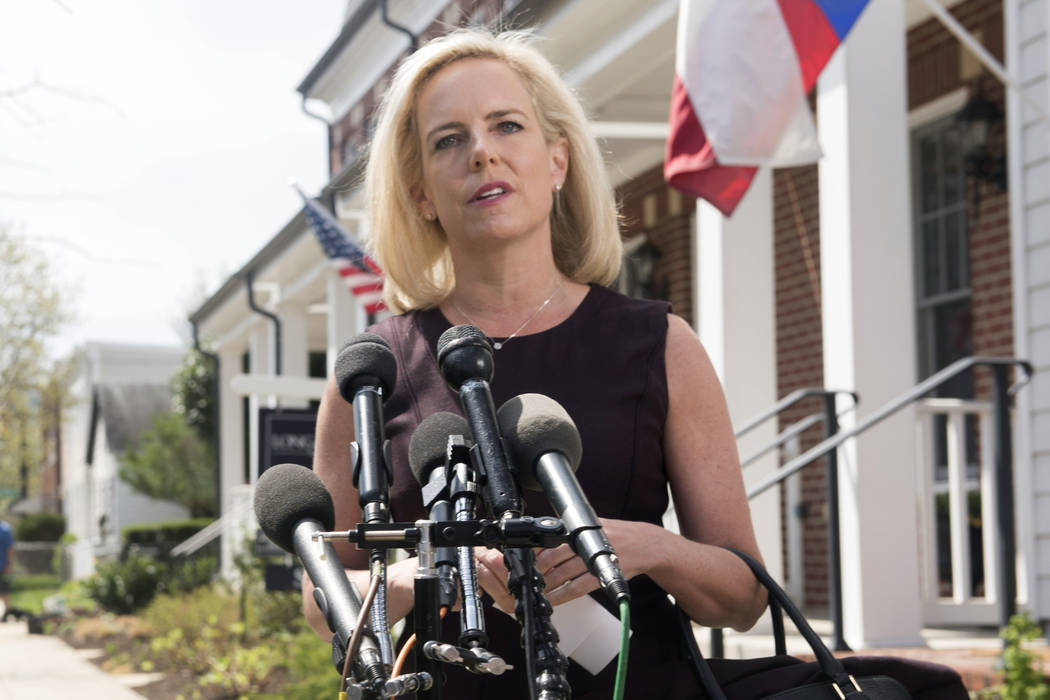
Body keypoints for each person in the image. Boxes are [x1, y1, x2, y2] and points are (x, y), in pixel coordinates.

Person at [304, 28, 766, 698]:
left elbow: (743, 598)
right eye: (449, 140)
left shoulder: (660, 345)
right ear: (422, 193)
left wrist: (651, 549)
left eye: (506, 125)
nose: (482, 152)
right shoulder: (369, 374)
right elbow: (324, 604)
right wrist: (415, 575)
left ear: (557, 161)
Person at [0, 519, 14, 614]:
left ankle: (7, 610)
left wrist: (8, 564)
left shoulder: (5, 529)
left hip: (2, 564)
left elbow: (10, 548)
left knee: (3, 589)